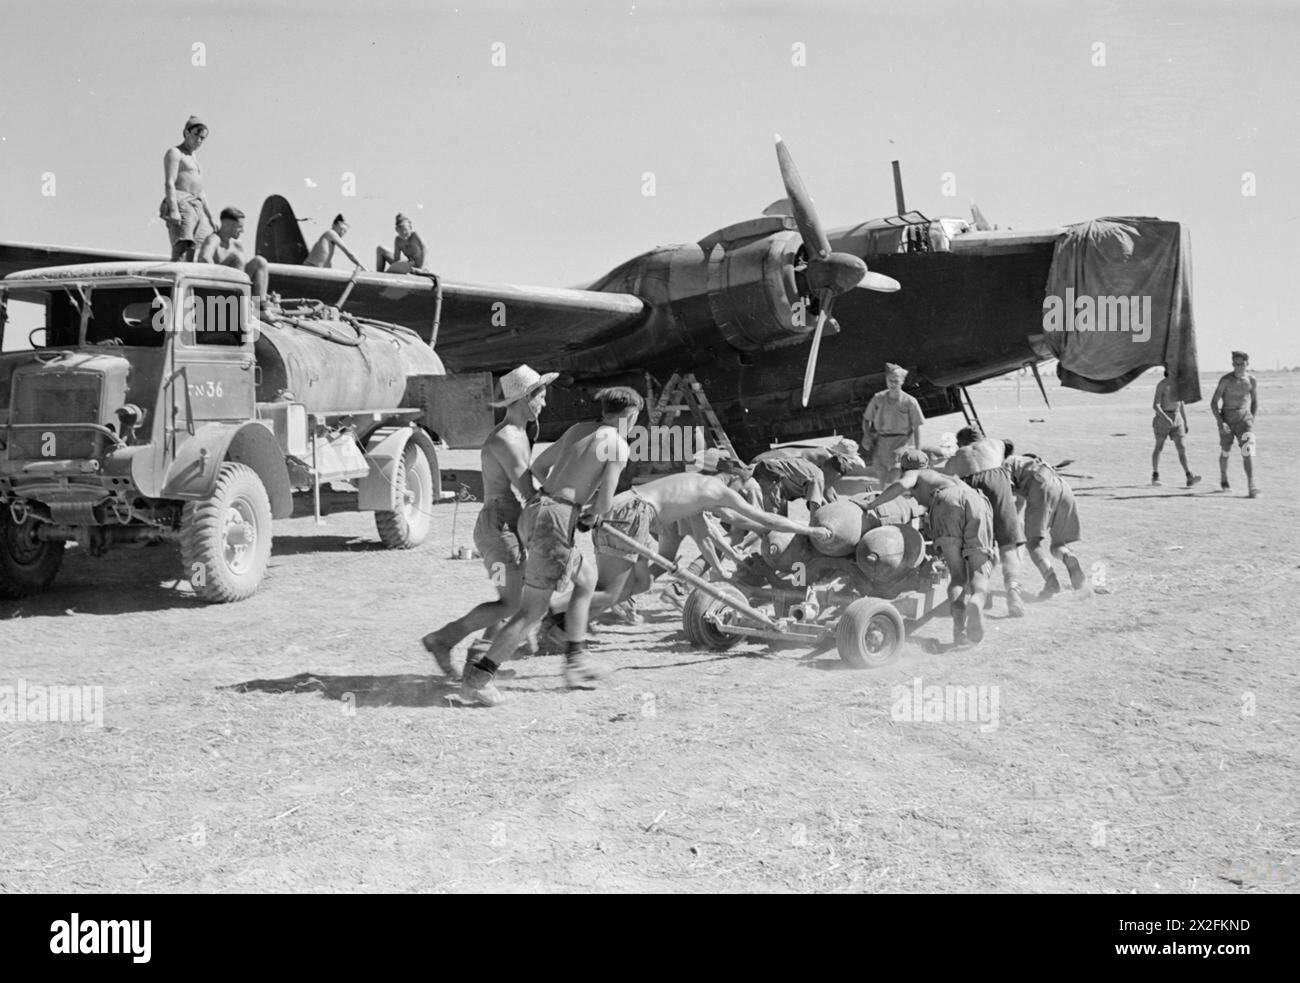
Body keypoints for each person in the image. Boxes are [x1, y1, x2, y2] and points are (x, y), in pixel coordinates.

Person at [462, 386, 642, 707]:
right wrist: (586, 515)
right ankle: (481, 676)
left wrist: (564, 496)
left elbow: (538, 467)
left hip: (537, 510)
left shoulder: (579, 430)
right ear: (630, 416)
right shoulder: (617, 444)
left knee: (585, 579)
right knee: (532, 609)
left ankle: (576, 662)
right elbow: (603, 503)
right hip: (556, 520)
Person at [421, 365, 557, 677]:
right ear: (524, 399)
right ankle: (443, 639)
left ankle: (479, 658)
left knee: (516, 597)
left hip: (509, 525)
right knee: (510, 604)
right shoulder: (506, 439)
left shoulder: (523, 433)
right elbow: (527, 489)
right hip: (499, 528)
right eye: (541, 397)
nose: (545, 404)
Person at [583, 472, 833, 621]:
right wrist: (809, 530)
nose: (738, 498)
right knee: (616, 589)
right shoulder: (717, 490)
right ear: (735, 481)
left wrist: (725, 565)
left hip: (620, 505)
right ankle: (562, 620)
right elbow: (762, 518)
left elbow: (705, 537)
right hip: (636, 513)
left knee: (621, 585)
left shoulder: (694, 489)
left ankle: (567, 620)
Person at [865, 448, 994, 647]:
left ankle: (959, 630)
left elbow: (902, 484)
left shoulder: (914, 473)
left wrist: (872, 505)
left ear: (905, 467)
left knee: (958, 575)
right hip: (976, 501)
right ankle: (977, 600)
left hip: (947, 502)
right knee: (979, 571)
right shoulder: (942, 476)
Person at [945, 426, 1026, 617]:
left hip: (967, 484)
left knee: (977, 546)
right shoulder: (995, 443)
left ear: (962, 443)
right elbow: (1009, 447)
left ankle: (980, 591)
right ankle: (1014, 594)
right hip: (995, 479)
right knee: (1008, 545)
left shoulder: (956, 456)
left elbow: (947, 477)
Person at [1004, 454, 1086, 599]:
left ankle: (1051, 581)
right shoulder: (1031, 464)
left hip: (1041, 489)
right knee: (1058, 545)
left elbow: (1008, 495)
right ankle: (1068, 556)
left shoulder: (1007, 463)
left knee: (1032, 543)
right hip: (1063, 488)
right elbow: (1020, 501)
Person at [160, 116, 217, 262]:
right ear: (186, 133)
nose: (199, 140)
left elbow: (201, 192)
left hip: (196, 205)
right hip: (182, 202)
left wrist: (210, 217)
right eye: (196, 135)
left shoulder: (196, 161)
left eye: (202, 138)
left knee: (195, 250)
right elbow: (169, 182)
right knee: (182, 248)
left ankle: (188, 284)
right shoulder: (175, 152)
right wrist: (173, 209)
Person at [860, 363, 924, 480]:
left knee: (896, 471)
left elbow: (917, 427)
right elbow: (866, 420)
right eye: (890, 380)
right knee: (881, 473)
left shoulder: (910, 401)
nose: (893, 384)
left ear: (902, 381)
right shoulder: (878, 398)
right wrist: (867, 436)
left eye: (896, 381)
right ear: (886, 380)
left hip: (901, 442)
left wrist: (918, 450)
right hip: (881, 442)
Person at [1210, 351, 1259, 497]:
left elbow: (1255, 400)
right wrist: (1220, 422)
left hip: (1244, 420)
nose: (1239, 367)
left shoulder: (1251, 380)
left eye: (1242, 364)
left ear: (1247, 364)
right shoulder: (1226, 380)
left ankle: (1252, 486)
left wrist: (1252, 419)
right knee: (1226, 452)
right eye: (1236, 364)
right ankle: (1224, 478)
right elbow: (1213, 402)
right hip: (1227, 419)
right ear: (1232, 364)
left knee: (1248, 452)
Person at [197, 207, 270, 303]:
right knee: (236, 258)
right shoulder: (214, 239)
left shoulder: (237, 244)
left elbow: (243, 271)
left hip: (239, 287)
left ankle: (260, 308)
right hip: (220, 291)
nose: (242, 230)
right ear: (227, 225)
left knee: (260, 261)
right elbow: (204, 258)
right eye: (239, 226)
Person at [1151, 369, 1201, 488]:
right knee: (1159, 447)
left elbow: (1181, 404)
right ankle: (1155, 475)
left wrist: (1185, 421)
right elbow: (1156, 404)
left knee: (1182, 448)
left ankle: (1189, 476)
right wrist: (1165, 417)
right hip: (1163, 418)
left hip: (1177, 418)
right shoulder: (1162, 385)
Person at [752, 454, 837, 515]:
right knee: (773, 517)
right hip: (770, 471)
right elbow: (814, 511)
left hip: (771, 468)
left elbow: (818, 502)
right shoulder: (817, 478)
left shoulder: (814, 475)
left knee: (778, 517)